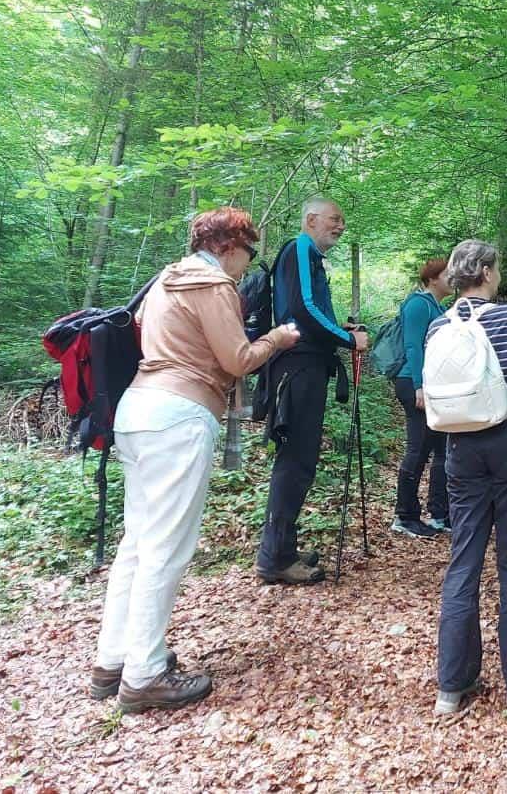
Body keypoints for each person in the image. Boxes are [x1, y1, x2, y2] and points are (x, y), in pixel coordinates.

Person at [90, 207, 301, 713]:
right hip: (179, 416)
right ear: (228, 246)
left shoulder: (165, 281)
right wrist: (278, 337)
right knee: (166, 548)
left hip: (137, 410)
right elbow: (237, 360)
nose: (248, 264)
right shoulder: (212, 284)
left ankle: (112, 661)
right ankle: (145, 674)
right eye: (248, 252)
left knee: (137, 543)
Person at [431, 240, 507, 715]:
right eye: (496, 267)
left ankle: (452, 685)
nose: (499, 274)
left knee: (464, 559)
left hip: (460, 446)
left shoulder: (440, 325)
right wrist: (506, 390)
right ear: (484, 272)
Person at [254, 198, 368, 585]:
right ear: (311, 219)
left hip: (304, 366)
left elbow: (308, 310)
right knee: (296, 461)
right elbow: (302, 309)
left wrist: (340, 332)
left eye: (342, 220)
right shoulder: (300, 248)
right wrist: (348, 340)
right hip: (298, 367)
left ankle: (282, 549)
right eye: (335, 219)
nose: (340, 226)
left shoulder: (310, 256)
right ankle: (275, 558)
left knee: (299, 459)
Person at [391, 258, 451, 538]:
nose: (452, 278)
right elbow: (413, 346)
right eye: (447, 274)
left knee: (442, 448)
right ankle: (405, 516)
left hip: (431, 384)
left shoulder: (438, 307)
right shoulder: (417, 304)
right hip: (412, 382)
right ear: (433, 279)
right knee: (418, 449)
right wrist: (419, 386)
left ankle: (440, 513)